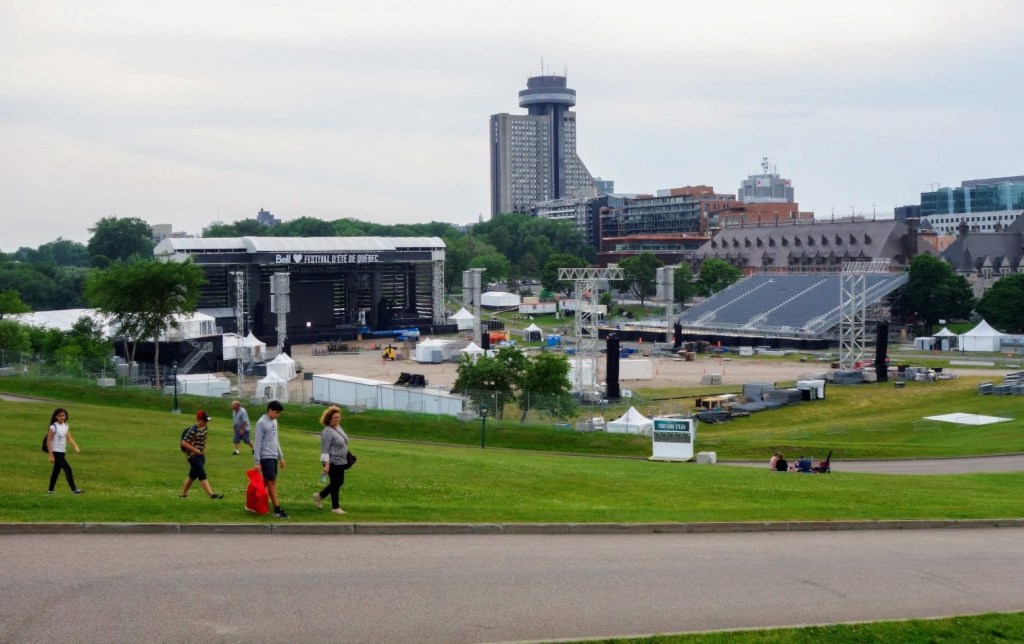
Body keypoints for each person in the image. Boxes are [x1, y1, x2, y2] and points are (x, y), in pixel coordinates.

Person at [253, 400, 288, 519]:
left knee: (267, 483)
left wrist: (281, 457)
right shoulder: (261, 423)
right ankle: (277, 509)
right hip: (265, 456)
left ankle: (253, 503)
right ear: (270, 410)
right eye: (276, 412)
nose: (278, 415)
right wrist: (257, 461)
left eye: (279, 413)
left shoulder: (275, 422)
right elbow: (257, 443)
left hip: (273, 456)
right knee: (271, 482)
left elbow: (275, 440)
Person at [179, 411, 225, 499]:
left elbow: (203, 442)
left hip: (200, 456)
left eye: (207, 421)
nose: (206, 422)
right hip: (192, 456)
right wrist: (195, 450)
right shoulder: (193, 429)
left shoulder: (205, 428)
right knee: (201, 474)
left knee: (192, 475)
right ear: (199, 420)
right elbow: (184, 443)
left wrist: (203, 454)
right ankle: (211, 495)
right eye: (204, 421)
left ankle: (183, 494)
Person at [313, 406, 350, 514]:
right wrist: (326, 464)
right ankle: (335, 507)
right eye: (335, 417)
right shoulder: (327, 431)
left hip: (341, 461)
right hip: (332, 461)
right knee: (336, 482)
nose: (338, 419)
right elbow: (324, 449)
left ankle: (319, 496)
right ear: (329, 418)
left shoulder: (338, 427)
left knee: (338, 482)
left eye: (339, 417)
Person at [46, 407, 84, 495]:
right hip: (56, 452)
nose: (62, 417)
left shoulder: (65, 425)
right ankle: (74, 490)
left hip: (62, 452)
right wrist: (51, 455)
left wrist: (75, 446)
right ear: (56, 416)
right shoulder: (53, 427)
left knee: (56, 472)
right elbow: (49, 441)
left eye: (63, 415)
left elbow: (69, 437)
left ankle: (50, 491)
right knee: (68, 469)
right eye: (60, 416)